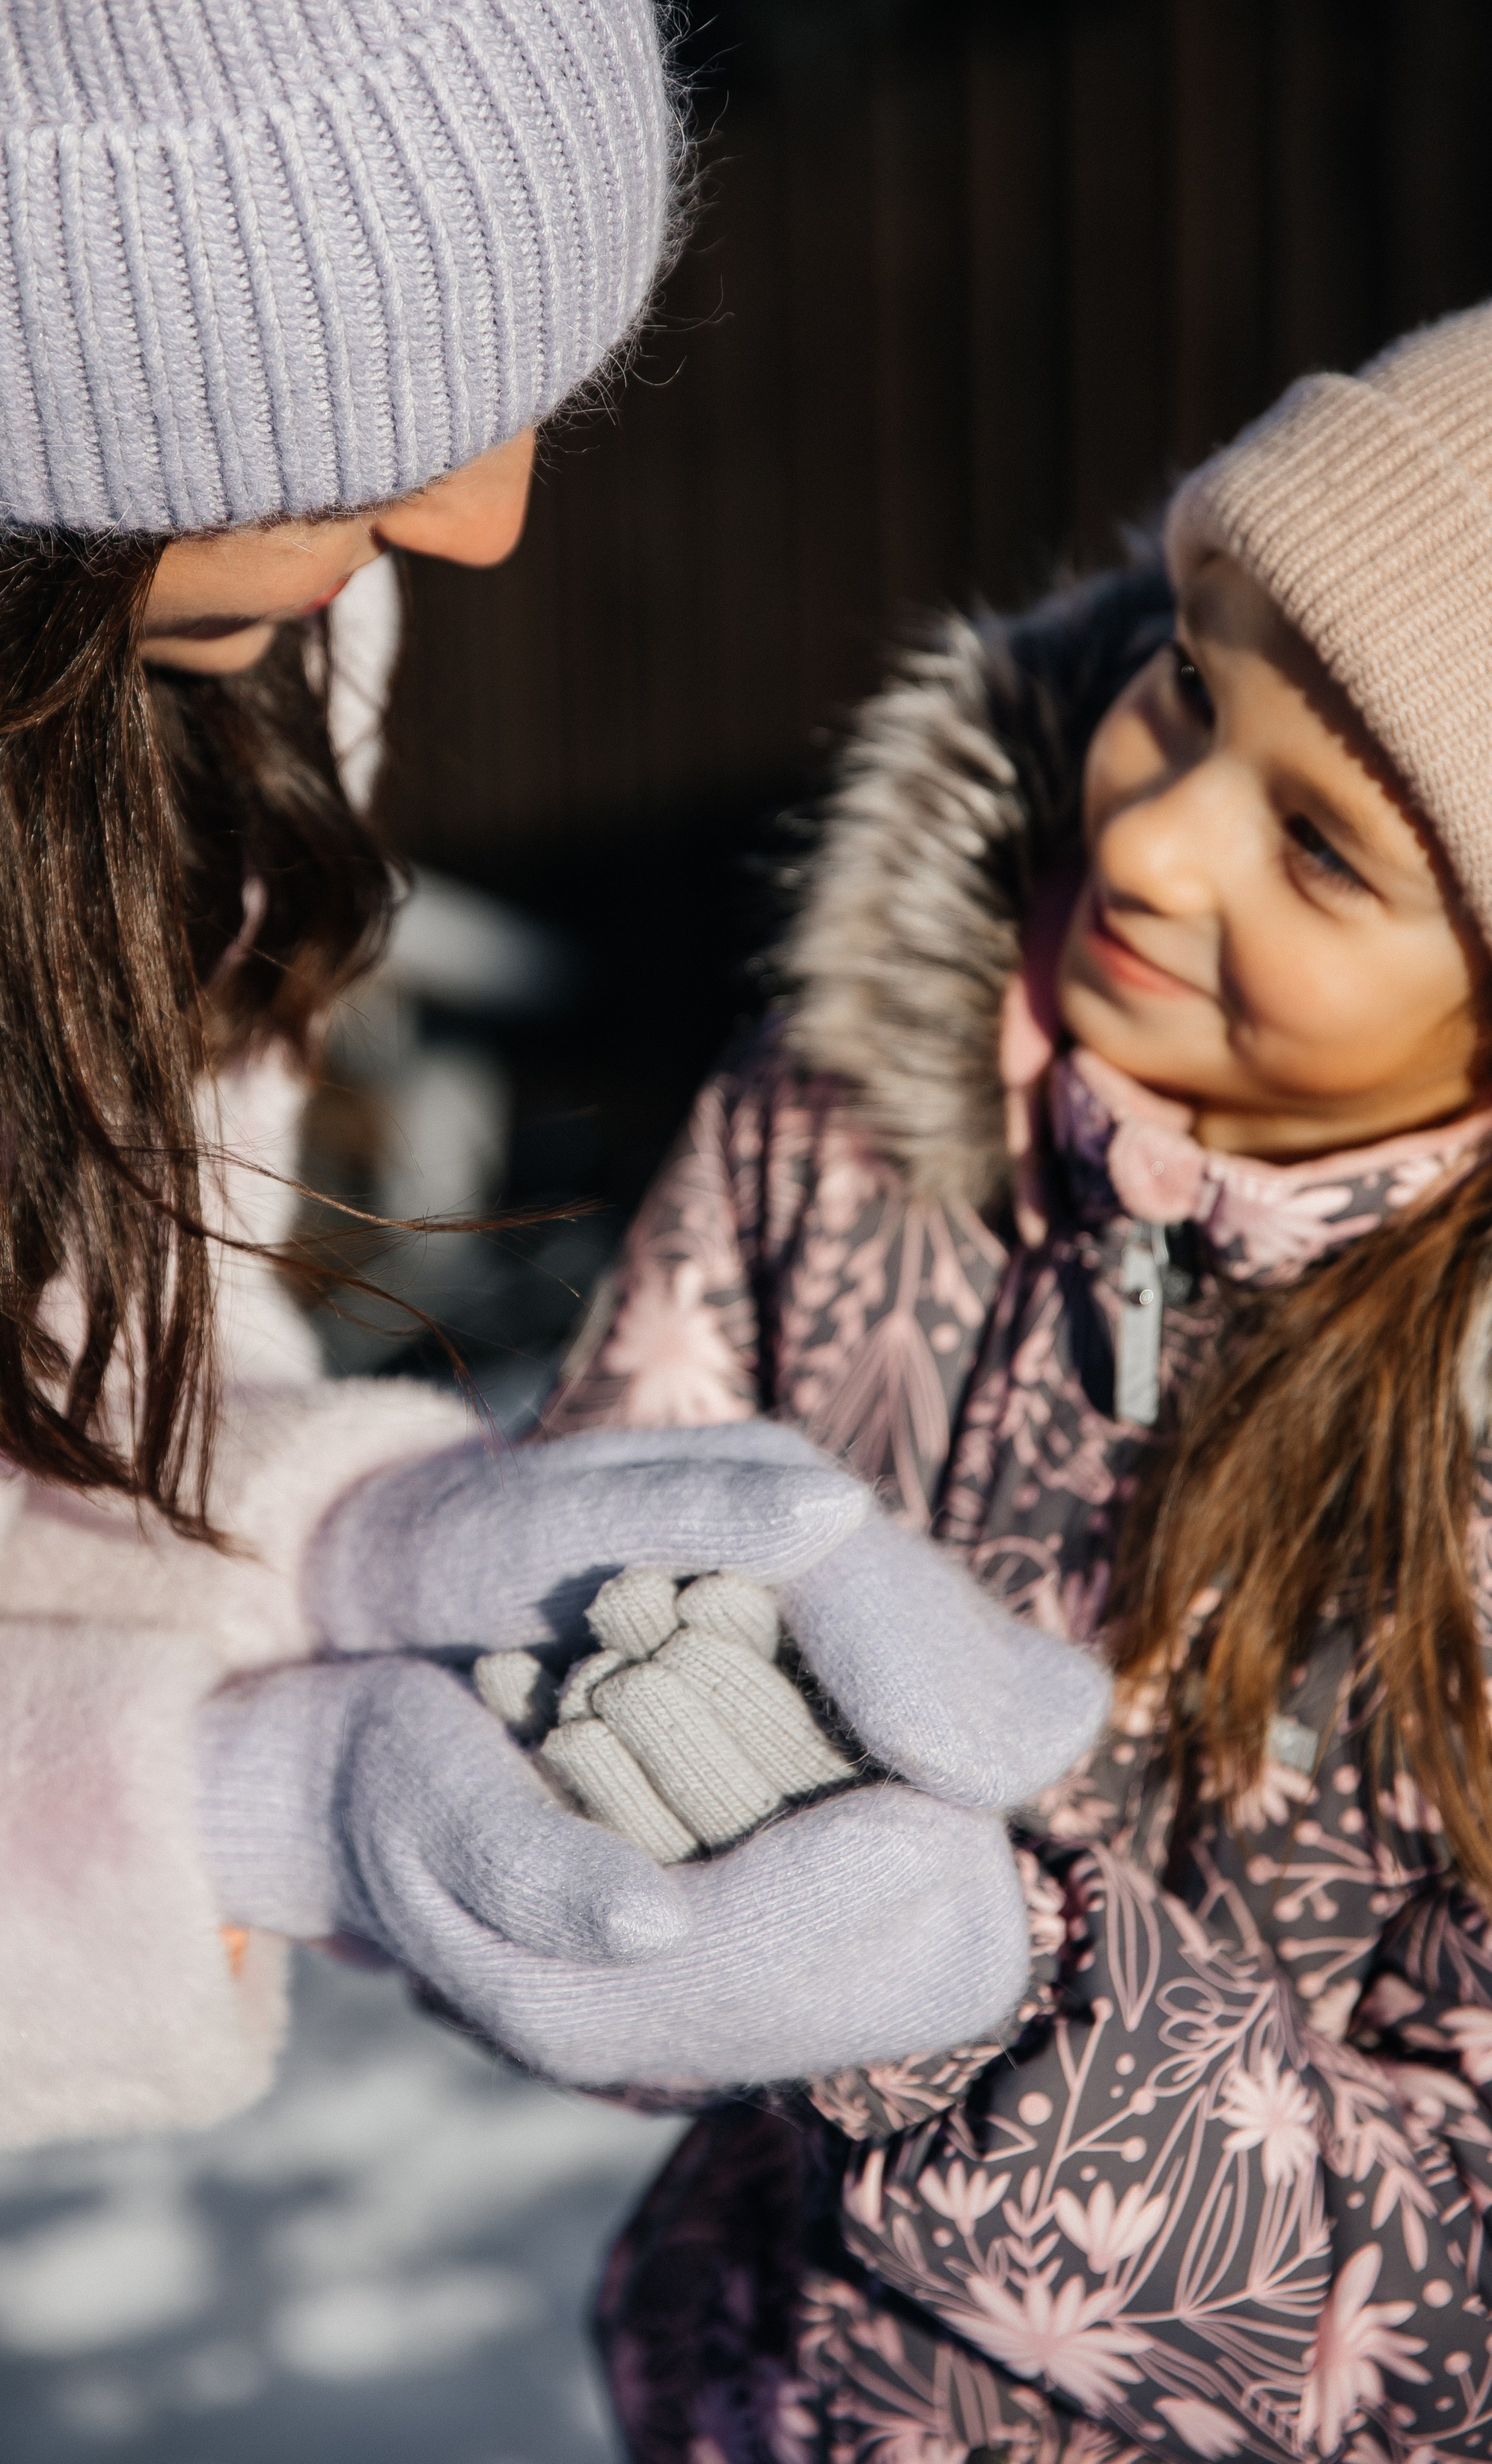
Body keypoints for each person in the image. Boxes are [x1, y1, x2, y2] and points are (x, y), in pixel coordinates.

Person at [0, 0, 1106, 2453]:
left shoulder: (149, 627)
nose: (490, 515)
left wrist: (397, 1569)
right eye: (342, 418)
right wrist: (244, 1810)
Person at [558, 306, 1492, 2463]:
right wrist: (613, 1875)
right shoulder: (849, 1123)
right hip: (747, 2392)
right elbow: (580, 1604)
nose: (1156, 848)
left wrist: (959, 1986)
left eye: (1328, 849)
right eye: (1185, 679)